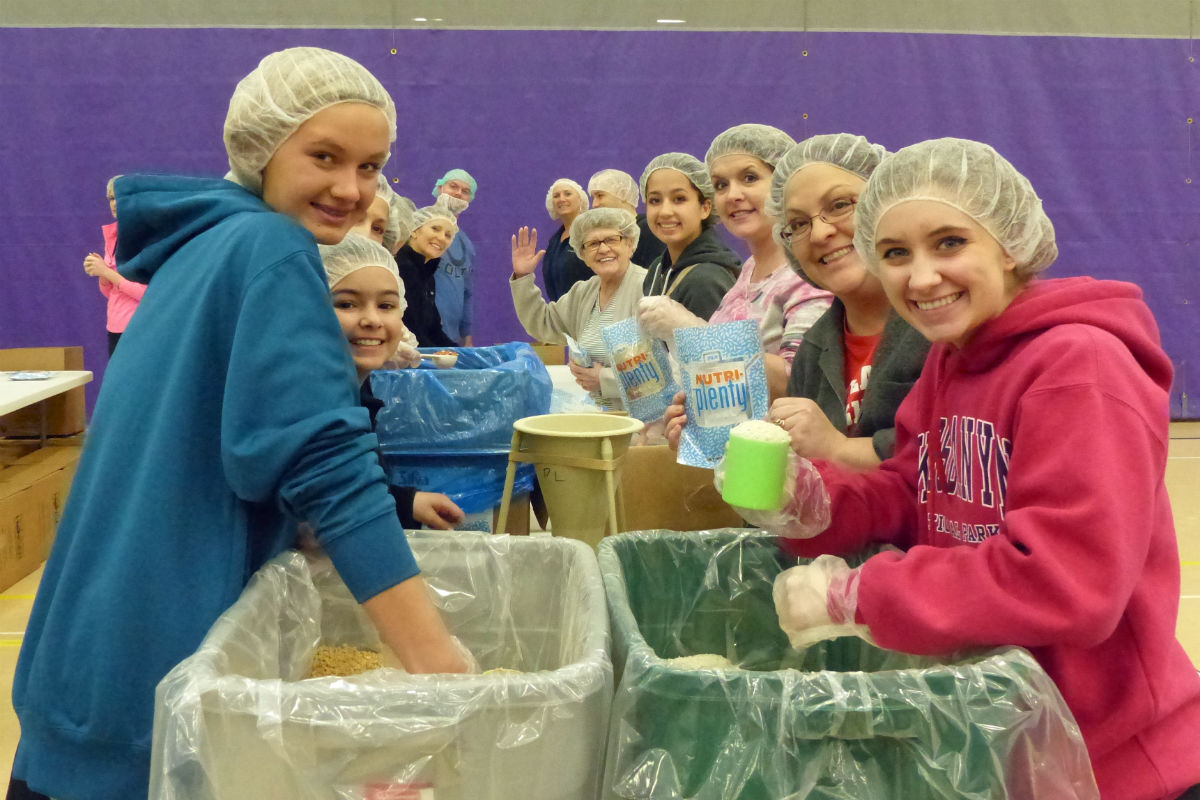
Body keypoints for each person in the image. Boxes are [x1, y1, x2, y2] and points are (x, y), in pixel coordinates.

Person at [8, 47, 470, 800]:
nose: (350, 188)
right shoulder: (270, 248)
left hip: (84, 661)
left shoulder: (201, 248)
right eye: (325, 156)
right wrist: (435, 660)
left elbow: (240, 446)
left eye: (372, 167)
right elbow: (326, 463)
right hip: (152, 679)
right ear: (263, 145)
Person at [772, 137, 1200, 800]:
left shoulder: (1078, 367)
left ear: (1009, 244)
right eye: (895, 254)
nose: (920, 278)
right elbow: (913, 489)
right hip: (1001, 739)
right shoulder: (952, 358)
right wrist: (818, 505)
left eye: (949, 243)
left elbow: (1068, 580)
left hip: (1112, 762)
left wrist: (860, 596)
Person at [666, 134, 929, 471]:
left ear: (888, 200)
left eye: (839, 205)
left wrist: (839, 449)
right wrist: (716, 443)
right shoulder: (816, 347)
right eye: (799, 224)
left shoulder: (937, 329)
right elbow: (800, 486)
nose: (820, 234)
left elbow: (951, 460)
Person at [639, 125, 832, 401]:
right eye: (721, 185)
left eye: (749, 178)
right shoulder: (749, 272)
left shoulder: (807, 278)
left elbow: (800, 381)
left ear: (784, 183)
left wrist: (693, 331)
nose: (733, 195)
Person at [320, 233, 464, 529]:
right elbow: (327, 508)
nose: (372, 320)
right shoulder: (316, 406)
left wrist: (404, 502)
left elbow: (351, 490)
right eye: (346, 304)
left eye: (386, 305)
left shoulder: (354, 390)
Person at [509, 207, 647, 410]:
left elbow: (665, 370)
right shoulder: (584, 292)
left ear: (630, 245)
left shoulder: (648, 288)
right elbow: (545, 324)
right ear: (582, 254)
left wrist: (605, 380)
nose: (603, 249)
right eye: (592, 244)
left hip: (642, 424)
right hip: (597, 413)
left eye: (611, 239)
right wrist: (523, 278)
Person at [639, 152, 740, 321]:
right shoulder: (658, 269)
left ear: (705, 208)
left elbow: (713, 347)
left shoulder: (705, 281)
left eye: (679, 199)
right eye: (655, 200)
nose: (665, 212)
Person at [82, 175, 147, 356]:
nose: (114, 203)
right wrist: (102, 275)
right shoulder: (113, 235)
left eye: (119, 197)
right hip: (115, 326)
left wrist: (107, 273)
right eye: (111, 198)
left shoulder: (147, 237)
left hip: (139, 326)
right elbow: (111, 293)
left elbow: (148, 294)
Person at [395, 201, 461, 348]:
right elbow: (410, 329)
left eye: (448, 235)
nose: (442, 237)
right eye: (435, 229)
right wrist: (437, 358)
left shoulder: (427, 275)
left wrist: (461, 355)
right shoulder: (402, 268)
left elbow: (433, 330)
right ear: (414, 230)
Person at [431, 168, 478, 345]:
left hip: (452, 337)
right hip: (421, 332)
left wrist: (466, 335)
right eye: (453, 186)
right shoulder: (417, 227)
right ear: (440, 188)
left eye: (465, 191)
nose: (458, 193)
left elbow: (467, 293)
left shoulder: (466, 245)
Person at [587, 167, 665, 268]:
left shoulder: (648, 229)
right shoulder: (614, 233)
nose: (594, 204)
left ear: (623, 193)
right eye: (593, 198)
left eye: (600, 195)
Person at [540, 177, 591, 301]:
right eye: (556, 196)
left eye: (567, 194)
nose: (561, 199)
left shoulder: (590, 233)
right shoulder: (554, 242)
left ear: (581, 200)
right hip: (561, 315)